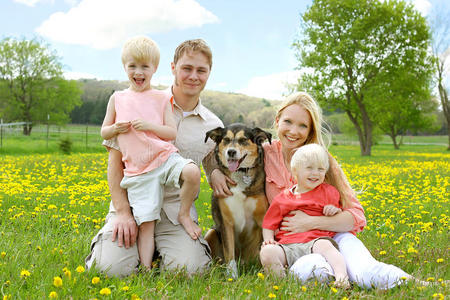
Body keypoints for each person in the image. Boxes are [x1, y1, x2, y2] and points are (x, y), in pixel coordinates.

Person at [208, 91, 425, 289]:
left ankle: (424, 285)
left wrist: (312, 222)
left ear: (311, 129)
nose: (294, 131)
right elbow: (226, 153)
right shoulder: (262, 154)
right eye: (288, 122)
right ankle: (339, 279)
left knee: (364, 273)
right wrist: (215, 172)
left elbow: (356, 216)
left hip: (334, 236)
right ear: (277, 122)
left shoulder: (321, 160)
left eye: (303, 125)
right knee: (310, 272)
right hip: (294, 245)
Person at [85, 39, 223, 276]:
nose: (193, 76)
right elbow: (115, 165)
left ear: (209, 73)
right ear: (172, 68)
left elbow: (215, 169)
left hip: (174, 215)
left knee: (190, 271)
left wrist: (219, 174)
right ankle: (124, 250)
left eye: (201, 70)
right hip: (133, 204)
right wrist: (122, 211)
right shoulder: (135, 101)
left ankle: (167, 251)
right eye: (187, 68)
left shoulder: (213, 125)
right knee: (110, 270)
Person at [260, 144, 349, 288]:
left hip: (315, 242)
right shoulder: (283, 198)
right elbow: (268, 224)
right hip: (288, 245)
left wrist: (333, 210)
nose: (315, 173)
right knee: (267, 252)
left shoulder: (328, 192)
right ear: (295, 171)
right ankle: (281, 283)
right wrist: (268, 240)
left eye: (320, 169)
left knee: (327, 246)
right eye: (309, 168)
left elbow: (337, 212)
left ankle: (341, 277)